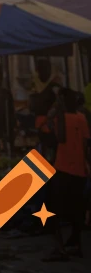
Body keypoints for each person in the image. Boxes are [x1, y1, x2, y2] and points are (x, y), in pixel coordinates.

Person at [41, 88, 89, 262]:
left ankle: (60, 248)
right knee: (77, 210)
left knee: (53, 210)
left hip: (63, 170)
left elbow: (57, 138)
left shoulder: (59, 118)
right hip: (79, 170)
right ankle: (76, 246)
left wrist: (54, 115)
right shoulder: (81, 118)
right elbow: (85, 144)